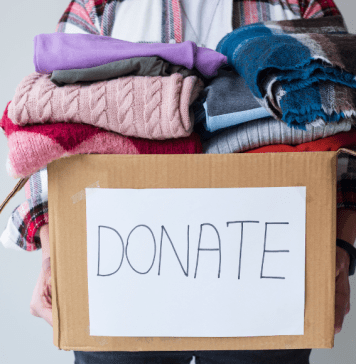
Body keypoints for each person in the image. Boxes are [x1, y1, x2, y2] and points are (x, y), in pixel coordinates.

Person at [22, 0, 356, 363]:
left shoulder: (303, 5)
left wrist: (339, 249)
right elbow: (51, 127)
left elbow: (347, 130)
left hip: (269, 280)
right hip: (121, 282)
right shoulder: (97, 7)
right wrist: (54, 255)